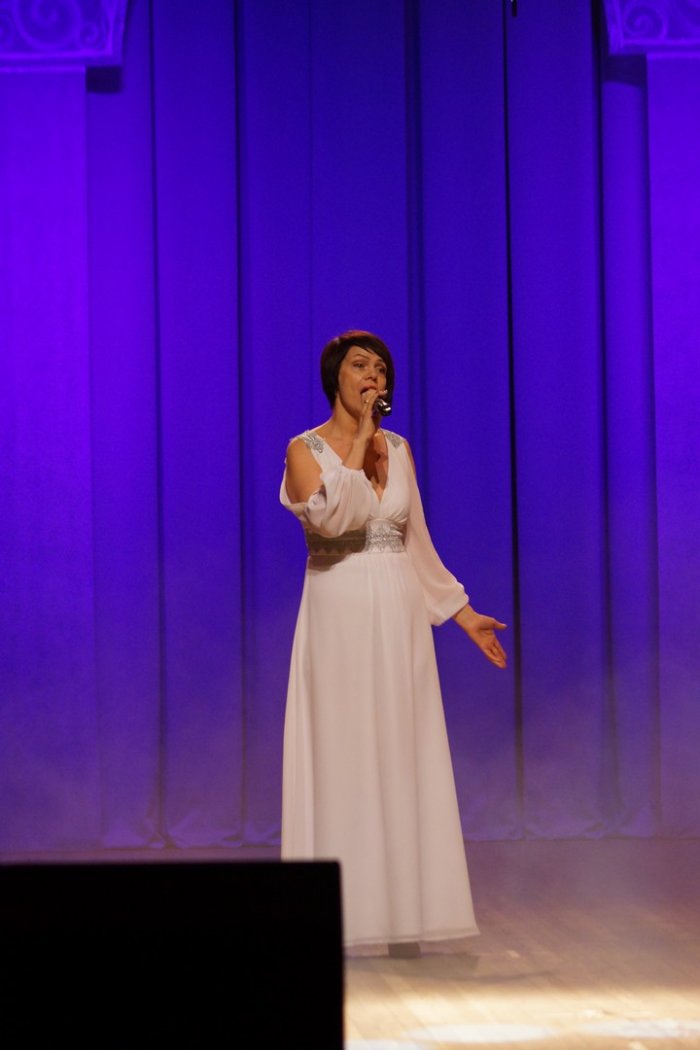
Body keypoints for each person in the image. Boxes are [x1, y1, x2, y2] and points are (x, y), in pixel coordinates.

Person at [279, 330, 507, 955]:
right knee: (346, 751)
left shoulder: (399, 449)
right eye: (360, 366)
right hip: (339, 611)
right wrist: (356, 441)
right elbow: (334, 519)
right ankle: (346, 915)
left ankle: (406, 915)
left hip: (400, 614)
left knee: (402, 752)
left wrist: (461, 612)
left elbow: (415, 541)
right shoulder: (304, 449)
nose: (373, 376)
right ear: (336, 377)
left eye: (381, 368)